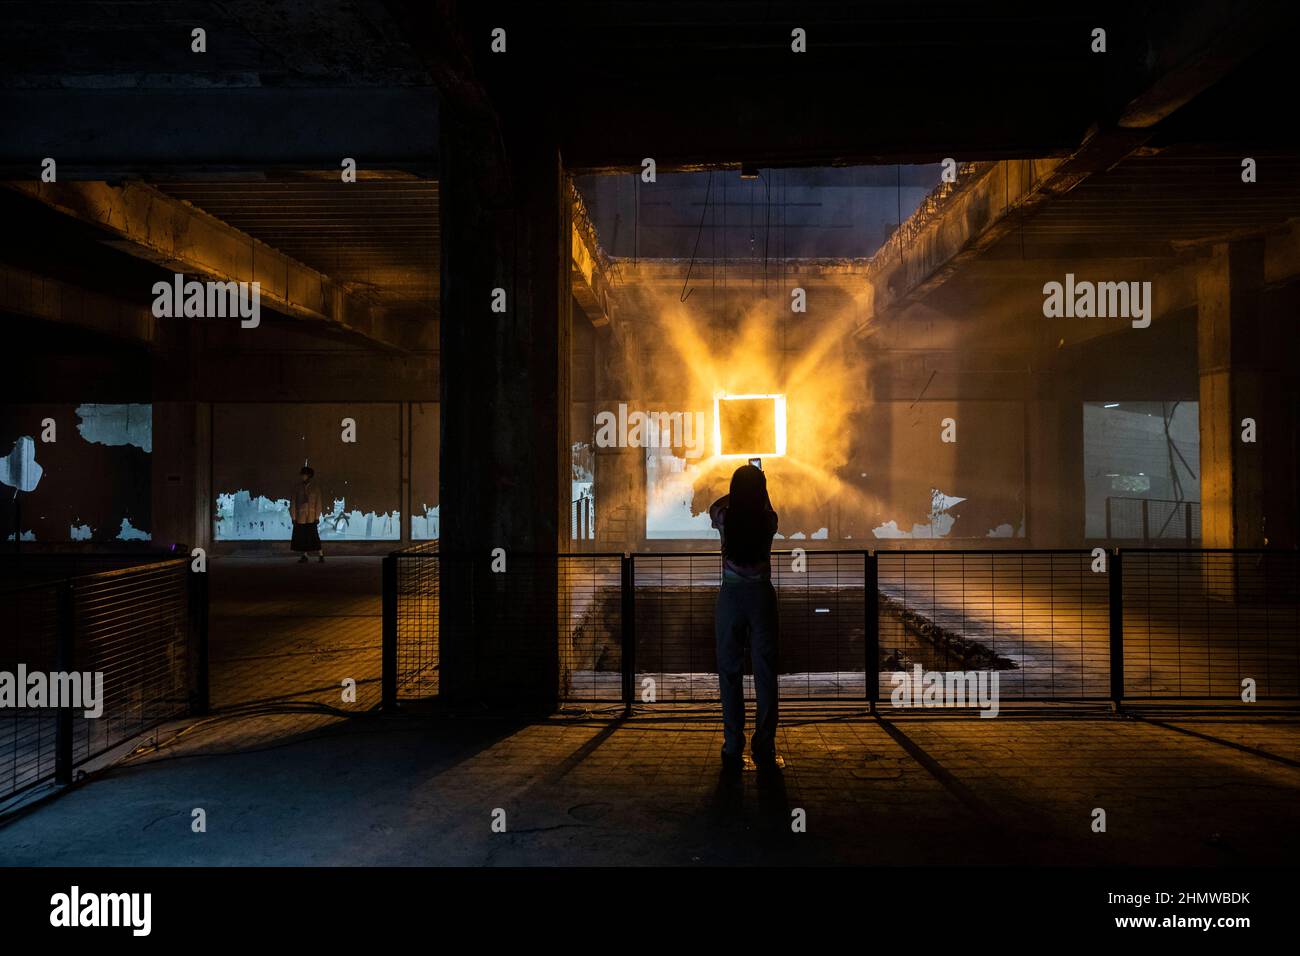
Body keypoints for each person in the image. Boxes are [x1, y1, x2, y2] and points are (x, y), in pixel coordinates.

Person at [709, 463, 780, 771]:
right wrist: (758, 490)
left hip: (731, 597)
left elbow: (714, 507)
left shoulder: (725, 519)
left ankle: (733, 744)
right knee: (765, 674)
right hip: (762, 597)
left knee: (729, 672)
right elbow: (766, 505)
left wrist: (736, 494)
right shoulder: (768, 521)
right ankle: (764, 745)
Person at [290, 465, 324, 563]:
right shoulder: (297, 488)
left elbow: (318, 503)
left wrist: (317, 516)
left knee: (314, 536)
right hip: (300, 517)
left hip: (311, 517)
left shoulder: (315, 488)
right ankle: (304, 555)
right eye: (302, 475)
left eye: (304, 475)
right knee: (302, 537)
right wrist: (293, 517)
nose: (302, 477)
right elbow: (293, 503)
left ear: (309, 475)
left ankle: (321, 555)